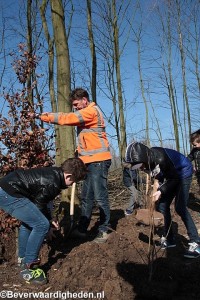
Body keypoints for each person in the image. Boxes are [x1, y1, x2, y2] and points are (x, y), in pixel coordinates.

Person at [39, 88, 112, 243]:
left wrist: (45, 116)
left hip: (99, 160)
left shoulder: (91, 111)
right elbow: (88, 138)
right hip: (89, 161)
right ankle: (82, 229)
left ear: (84, 99)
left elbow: (68, 118)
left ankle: (104, 229)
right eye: (74, 105)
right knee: (86, 196)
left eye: (77, 104)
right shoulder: (86, 113)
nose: (76, 107)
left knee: (100, 195)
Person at [0, 157, 88, 285]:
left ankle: (23, 259)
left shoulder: (54, 174)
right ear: (69, 176)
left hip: (7, 189)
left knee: (31, 223)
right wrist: (47, 224)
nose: (72, 184)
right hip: (9, 193)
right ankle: (30, 267)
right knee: (41, 225)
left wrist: (50, 218)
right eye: (74, 181)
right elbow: (40, 204)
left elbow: (39, 202)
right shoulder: (53, 182)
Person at [124, 141, 200, 258]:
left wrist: (160, 191)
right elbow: (157, 178)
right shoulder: (149, 160)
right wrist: (155, 192)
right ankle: (170, 239)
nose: (141, 168)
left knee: (180, 208)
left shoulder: (161, 158)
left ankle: (196, 242)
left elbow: (175, 179)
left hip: (183, 173)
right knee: (162, 206)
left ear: (144, 158)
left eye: (141, 165)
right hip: (172, 176)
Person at [188, 129, 200, 194]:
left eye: (195, 145)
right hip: (198, 173)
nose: (194, 146)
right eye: (193, 145)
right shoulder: (194, 150)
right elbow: (189, 158)